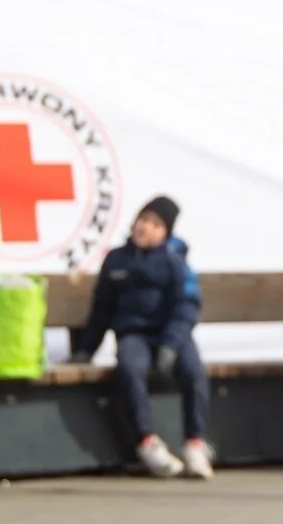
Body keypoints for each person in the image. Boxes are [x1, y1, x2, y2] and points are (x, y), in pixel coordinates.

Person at [69, 196, 211, 481]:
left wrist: (171, 344)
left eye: (156, 224)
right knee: (130, 370)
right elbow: (102, 309)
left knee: (194, 373)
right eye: (143, 219)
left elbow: (186, 306)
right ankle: (147, 442)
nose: (146, 227)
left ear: (166, 233)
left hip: (172, 334)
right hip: (133, 334)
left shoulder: (175, 262)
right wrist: (86, 349)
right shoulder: (116, 260)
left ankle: (195, 443)